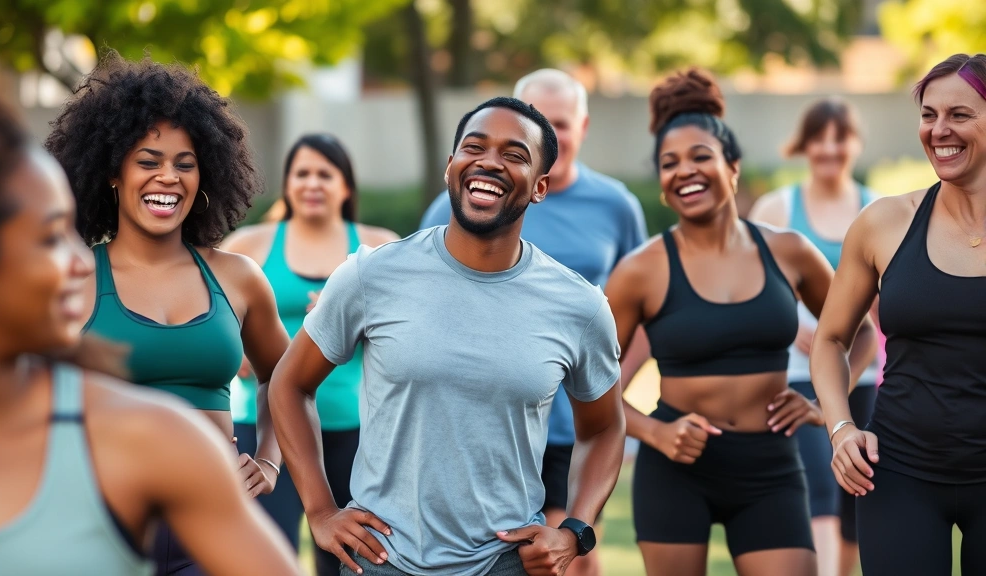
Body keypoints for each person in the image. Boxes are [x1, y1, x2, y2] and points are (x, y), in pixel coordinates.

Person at [0, 53, 300, 576]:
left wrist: (271, 460)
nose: (168, 176)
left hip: (214, 511)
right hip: (100, 514)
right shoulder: (69, 289)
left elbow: (285, 375)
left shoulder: (237, 277)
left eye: (185, 163)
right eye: (148, 160)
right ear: (112, 173)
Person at [271, 96, 626, 576]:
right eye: (474, 147)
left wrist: (576, 530)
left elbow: (605, 428)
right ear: (450, 167)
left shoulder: (579, 305)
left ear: (540, 187)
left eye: (514, 155)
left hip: (505, 563)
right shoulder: (371, 274)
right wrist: (320, 511)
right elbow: (289, 385)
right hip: (381, 561)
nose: (489, 163)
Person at [603, 69, 877, 576]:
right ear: (662, 186)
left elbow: (858, 332)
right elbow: (589, 388)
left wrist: (824, 406)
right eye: (669, 164)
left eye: (700, 156)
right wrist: (652, 434)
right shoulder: (640, 270)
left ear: (732, 167)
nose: (685, 170)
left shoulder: (789, 251)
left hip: (770, 467)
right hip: (675, 469)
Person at [420, 70, 646, 576]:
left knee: (568, 556)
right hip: (486, 423)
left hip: (571, 424)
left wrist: (612, 383)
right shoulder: (460, 200)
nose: (552, 132)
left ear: (582, 126)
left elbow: (645, 306)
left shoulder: (617, 206)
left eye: (561, 123)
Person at [811, 53, 986, 576]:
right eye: (929, 115)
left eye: (959, 114)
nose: (939, 131)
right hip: (898, 473)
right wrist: (841, 429)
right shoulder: (884, 222)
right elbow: (830, 341)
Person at [223, 133, 398, 574]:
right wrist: (234, 346)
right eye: (302, 173)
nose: (312, 183)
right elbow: (208, 311)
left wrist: (349, 319)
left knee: (346, 560)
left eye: (326, 173)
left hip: (354, 431)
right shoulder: (250, 244)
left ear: (347, 187)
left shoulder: (379, 248)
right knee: (265, 557)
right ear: (287, 185)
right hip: (265, 430)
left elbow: (407, 333)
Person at [749, 98, 880, 576]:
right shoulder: (778, 207)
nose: (829, 148)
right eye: (818, 138)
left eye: (838, 137)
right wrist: (803, 326)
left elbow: (885, 301)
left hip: (862, 377)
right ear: (804, 145)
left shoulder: (877, 208)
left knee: (854, 501)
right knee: (818, 491)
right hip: (798, 376)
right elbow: (754, 286)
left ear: (855, 144)